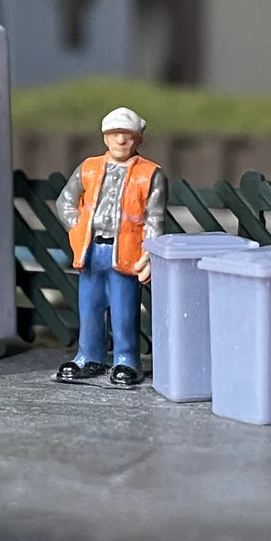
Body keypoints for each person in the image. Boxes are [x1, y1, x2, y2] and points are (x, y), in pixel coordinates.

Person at [54, 107, 168, 386]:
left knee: (124, 310)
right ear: (105, 137)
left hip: (125, 252)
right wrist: (77, 228)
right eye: (115, 134)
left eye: (127, 135)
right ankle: (89, 356)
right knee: (89, 307)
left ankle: (126, 360)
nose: (120, 140)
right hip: (91, 250)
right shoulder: (89, 167)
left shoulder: (150, 174)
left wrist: (149, 254)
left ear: (137, 139)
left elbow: (155, 219)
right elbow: (65, 201)